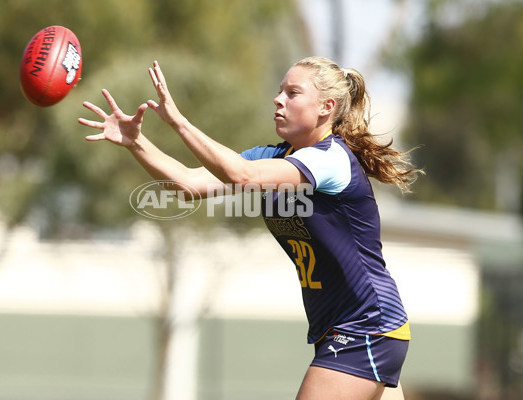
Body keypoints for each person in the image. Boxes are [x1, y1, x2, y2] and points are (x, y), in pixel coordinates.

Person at [78, 57, 422, 400]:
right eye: (279, 91)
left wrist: (179, 123)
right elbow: (190, 185)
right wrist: (136, 142)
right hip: (346, 328)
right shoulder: (274, 156)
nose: (278, 99)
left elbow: (241, 175)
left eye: (293, 93)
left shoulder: (331, 159)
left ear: (326, 107)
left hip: (366, 326)